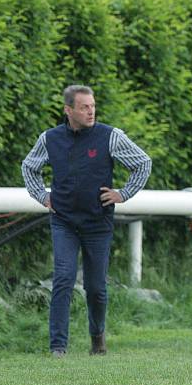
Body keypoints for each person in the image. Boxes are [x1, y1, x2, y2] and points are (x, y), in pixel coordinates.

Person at [21, 85, 152, 358]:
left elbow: (143, 162)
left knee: (95, 287)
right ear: (68, 110)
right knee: (64, 279)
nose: (91, 111)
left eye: (92, 105)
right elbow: (29, 167)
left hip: (98, 222)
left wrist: (123, 194)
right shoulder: (50, 139)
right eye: (84, 107)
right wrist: (41, 196)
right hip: (63, 221)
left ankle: (97, 338)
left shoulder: (111, 136)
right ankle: (58, 347)